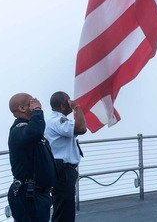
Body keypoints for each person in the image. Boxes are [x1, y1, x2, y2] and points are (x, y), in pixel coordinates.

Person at [7, 93, 57, 222]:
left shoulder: (30, 129)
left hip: (38, 195)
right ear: (23, 108)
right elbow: (35, 132)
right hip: (29, 195)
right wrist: (37, 111)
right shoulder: (18, 130)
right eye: (32, 102)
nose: (37, 103)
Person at [45, 91, 87, 222]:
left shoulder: (53, 120)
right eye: (68, 101)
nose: (71, 102)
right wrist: (77, 107)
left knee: (62, 208)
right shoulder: (59, 120)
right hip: (63, 170)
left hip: (59, 169)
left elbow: (75, 131)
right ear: (63, 106)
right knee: (65, 211)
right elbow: (81, 128)